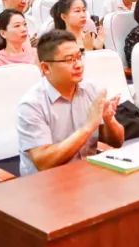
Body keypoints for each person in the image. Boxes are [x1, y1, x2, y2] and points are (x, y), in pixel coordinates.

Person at [16, 30, 125, 177]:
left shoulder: (90, 89)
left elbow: (117, 142)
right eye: (69, 60)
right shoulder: (32, 105)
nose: (78, 65)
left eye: (79, 57)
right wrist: (88, 127)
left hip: (87, 175)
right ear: (45, 68)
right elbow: (44, 162)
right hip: (47, 182)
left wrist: (109, 120)